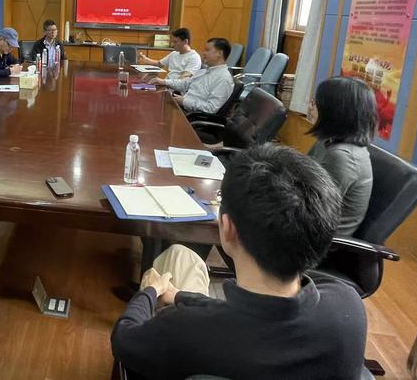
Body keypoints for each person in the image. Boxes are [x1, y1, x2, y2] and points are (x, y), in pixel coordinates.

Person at [112, 144, 366, 380]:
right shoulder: (348, 306)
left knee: (177, 259)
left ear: (227, 228)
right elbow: (251, 314)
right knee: (181, 255)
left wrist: (149, 291)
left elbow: (124, 339)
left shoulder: (186, 330)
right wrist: (180, 296)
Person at [307, 76, 376, 236]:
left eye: (316, 103)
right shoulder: (327, 141)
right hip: (307, 224)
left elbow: (313, 210)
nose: (310, 107)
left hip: (320, 239)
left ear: (333, 111)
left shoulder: (343, 157)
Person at [149, 37, 234, 114]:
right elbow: (184, 84)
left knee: (153, 111)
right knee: (153, 103)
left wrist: (184, 101)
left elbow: (211, 108)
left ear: (219, 53)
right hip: (183, 107)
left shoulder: (223, 79)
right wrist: (163, 81)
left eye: (207, 50)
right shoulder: (203, 71)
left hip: (192, 117)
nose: (204, 53)